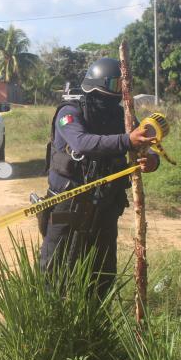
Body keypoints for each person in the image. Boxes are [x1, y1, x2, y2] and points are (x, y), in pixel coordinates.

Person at [38, 57, 159, 295]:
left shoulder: (122, 116)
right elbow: (82, 143)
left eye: (124, 87)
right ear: (98, 85)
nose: (120, 92)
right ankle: (49, 320)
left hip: (105, 206)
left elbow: (143, 143)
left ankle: (94, 322)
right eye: (116, 86)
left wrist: (152, 159)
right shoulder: (69, 112)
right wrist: (127, 140)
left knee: (102, 274)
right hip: (68, 204)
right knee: (54, 271)